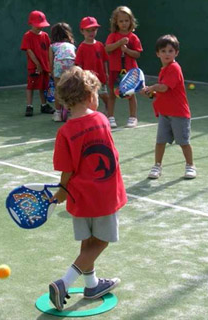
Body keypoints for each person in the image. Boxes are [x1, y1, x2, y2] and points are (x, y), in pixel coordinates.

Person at [48, 66, 127, 311]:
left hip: (80, 198)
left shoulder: (65, 132)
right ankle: (64, 282)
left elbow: (66, 170)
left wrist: (61, 192)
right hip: (103, 196)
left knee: (88, 243)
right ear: (88, 96)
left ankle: (91, 285)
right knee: (101, 242)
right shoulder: (102, 119)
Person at [141, 34, 197, 179]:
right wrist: (150, 93)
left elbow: (164, 88)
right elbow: (162, 94)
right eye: (163, 51)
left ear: (176, 53)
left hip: (179, 114)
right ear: (157, 53)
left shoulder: (174, 68)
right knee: (160, 142)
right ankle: (157, 166)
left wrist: (151, 87)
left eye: (170, 51)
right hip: (165, 114)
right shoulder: (163, 70)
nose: (167, 54)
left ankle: (190, 166)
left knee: (184, 142)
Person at [105, 6, 142, 128]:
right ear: (116, 22)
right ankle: (110, 117)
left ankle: (133, 117)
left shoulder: (134, 37)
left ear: (131, 21)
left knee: (130, 95)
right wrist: (119, 43)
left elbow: (137, 54)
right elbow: (107, 49)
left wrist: (126, 50)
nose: (124, 23)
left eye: (126, 20)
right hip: (115, 70)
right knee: (111, 94)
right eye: (121, 21)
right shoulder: (112, 36)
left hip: (130, 71)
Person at [20, 10, 55, 117]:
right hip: (34, 68)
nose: (40, 27)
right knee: (31, 86)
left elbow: (50, 50)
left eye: (42, 25)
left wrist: (49, 66)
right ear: (31, 23)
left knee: (43, 86)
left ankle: (44, 105)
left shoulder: (45, 35)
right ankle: (29, 106)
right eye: (37, 25)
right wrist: (37, 65)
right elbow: (29, 51)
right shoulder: (27, 36)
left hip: (45, 67)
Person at [75, 16, 110, 115]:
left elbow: (105, 60)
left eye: (93, 30)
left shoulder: (100, 45)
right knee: (89, 97)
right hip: (87, 79)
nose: (91, 33)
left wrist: (106, 73)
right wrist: (81, 77)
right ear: (82, 31)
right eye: (88, 30)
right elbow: (78, 64)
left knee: (103, 95)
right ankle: (91, 113)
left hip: (100, 77)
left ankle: (108, 108)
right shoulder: (81, 47)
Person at [49, 22, 76, 122]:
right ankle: (71, 111)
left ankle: (58, 113)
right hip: (71, 64)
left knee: (58, 90)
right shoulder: (71, 45)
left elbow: (51, 61)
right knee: (71, 89)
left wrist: (50, 72)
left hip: (59, 65)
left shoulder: (52, 46)